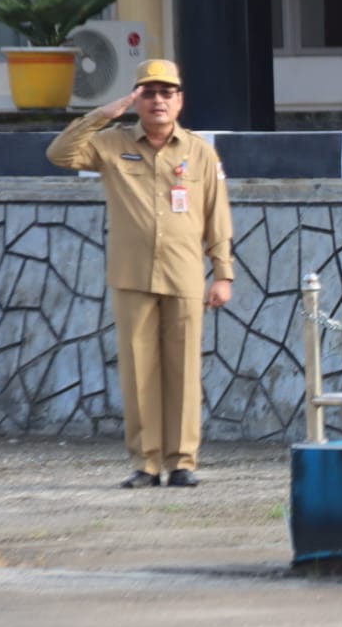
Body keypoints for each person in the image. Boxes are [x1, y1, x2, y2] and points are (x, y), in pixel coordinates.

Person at [46, 60, 234, 488]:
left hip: (184, 275)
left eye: (167, 93)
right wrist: (102, 114)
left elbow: (216, 215)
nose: (158, 101)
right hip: (132, 276)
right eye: (148, 93)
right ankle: (146, 464)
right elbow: (59, 154)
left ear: (180, 101)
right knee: (138, 372)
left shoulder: (200, 152)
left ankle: (182, 462)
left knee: (184, 372)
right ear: (135, 100)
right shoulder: (111, 144)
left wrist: (223, 273)